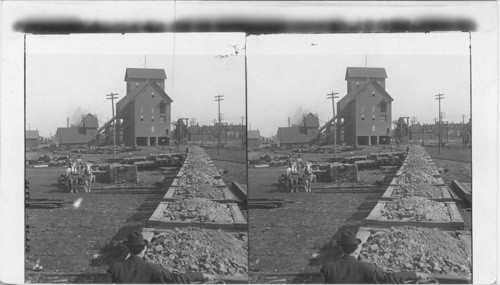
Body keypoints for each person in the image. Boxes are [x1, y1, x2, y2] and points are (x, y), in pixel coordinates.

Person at [317, 230, 429, 284]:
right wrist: (415, 274)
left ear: (341, 248)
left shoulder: (327, 267)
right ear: (357, 248)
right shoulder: (365, 268)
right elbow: (388, 278)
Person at [107, 231, 216, 284]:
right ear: (144, 249)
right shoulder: (151, 268)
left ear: (128, 249)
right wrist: (201, 275)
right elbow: (176, 280)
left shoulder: (114, 268)